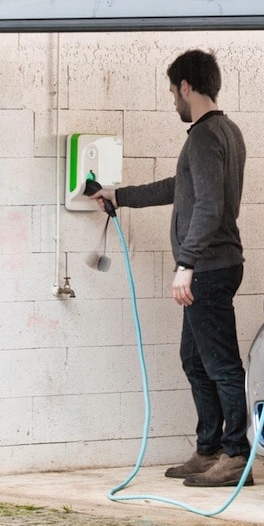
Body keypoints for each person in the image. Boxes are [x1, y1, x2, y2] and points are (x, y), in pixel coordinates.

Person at [92, 49, 250, 487]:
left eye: (172, 91)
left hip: (209, 267)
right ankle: (209, 448)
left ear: (185, 86)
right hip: (215, 264)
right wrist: (119, 196)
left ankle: (236, 454)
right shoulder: (225, 131)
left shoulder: (204, 136)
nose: (172, 101)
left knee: (219, 364)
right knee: (195, 360)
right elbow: (180, 188)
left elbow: (210, 207)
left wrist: (187, 264)